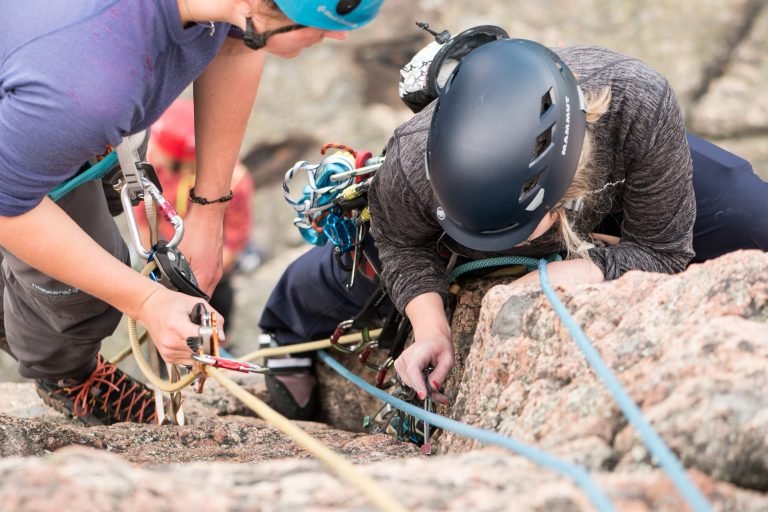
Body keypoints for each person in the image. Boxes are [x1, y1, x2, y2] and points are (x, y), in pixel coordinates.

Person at [259, 37, 768, 420]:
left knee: (753, 218)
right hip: (477, 199)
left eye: (519, 231)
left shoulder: (638, 101)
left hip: (627, 164)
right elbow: (401, 243)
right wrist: (430, 327)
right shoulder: (415, 160)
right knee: (349, 268)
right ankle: (282, 328)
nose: (516, 247)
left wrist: (583, 270)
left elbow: (661, 250)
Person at [0, 0, 385, 425]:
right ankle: (66, 374)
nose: (341, 36)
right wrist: (148, 302)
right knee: (88, 291)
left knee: (113, 186)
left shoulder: (226, 7)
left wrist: (209, 211)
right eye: (322, 23)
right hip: (63, 95)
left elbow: (237, 41)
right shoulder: (90, 90)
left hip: (63, 90)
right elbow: (8, 210)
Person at [134, 98, 252, 340]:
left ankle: (217, 344)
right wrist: (156, 267)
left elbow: (233, 239)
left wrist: (194, 282)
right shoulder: (152, 167)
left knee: (218, 303)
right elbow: (144, 218)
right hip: (165, 253)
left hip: (211, 261)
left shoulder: (235, 183)